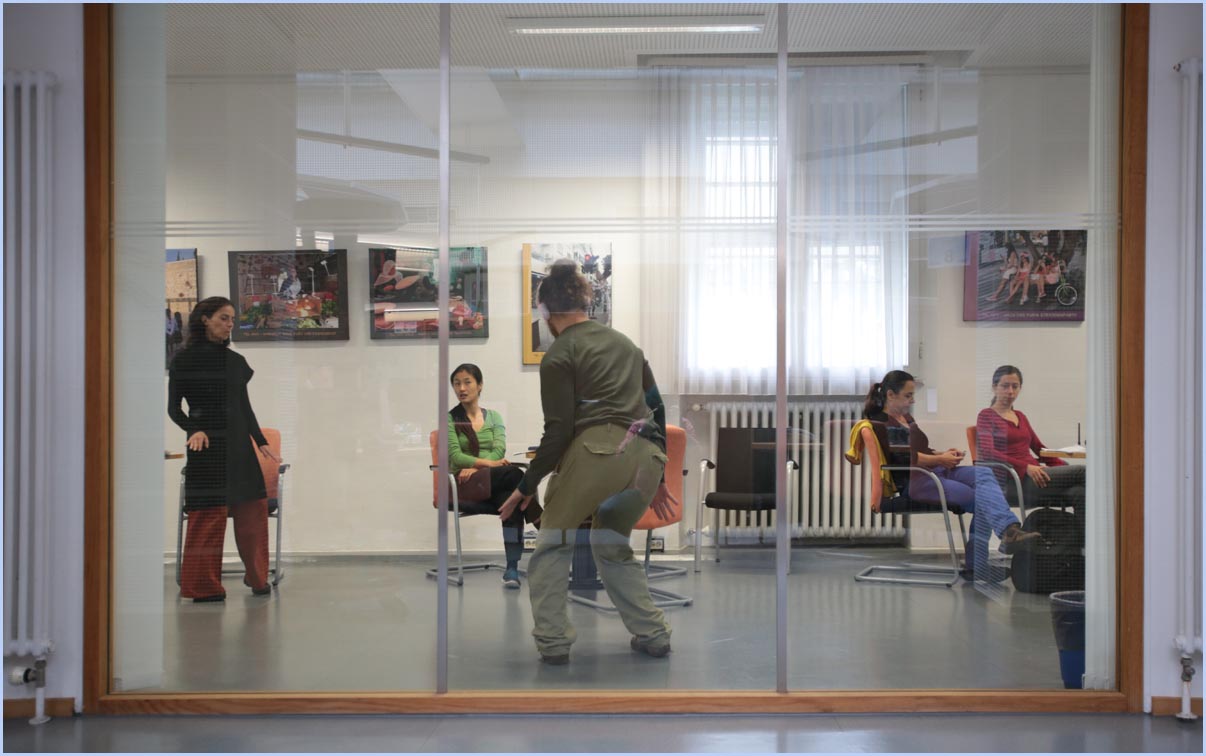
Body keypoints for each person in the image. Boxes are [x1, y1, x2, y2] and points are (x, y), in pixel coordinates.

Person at [499, 260, 677, 665]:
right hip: (646, 458)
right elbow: (657, 407)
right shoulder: (627, 345)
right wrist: (661, 477)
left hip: (599, 452)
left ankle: (554, 643)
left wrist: (526, 486)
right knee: (610, 543)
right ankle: (653, 633)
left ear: (545, 310)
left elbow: (559, 432)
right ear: (585, 302)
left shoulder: (560, 353)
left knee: (551, 547)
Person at [863, 370, 1038, 576]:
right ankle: (982, 559)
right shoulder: (881, 422)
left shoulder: (906, 418)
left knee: (983, 473)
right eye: (908, 395)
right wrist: (940, 459)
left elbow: (921, 450)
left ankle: (1007, 533)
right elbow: (905, 458)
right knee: (982, 499)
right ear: (891, 395)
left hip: (933, 471)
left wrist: (943, 454)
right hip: (916, 481)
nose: (913, 400)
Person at [168, 296, 280, 602]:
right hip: (206, 449)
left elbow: (244, 407)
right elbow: (174, 409)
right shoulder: (183, 360)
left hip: (239, 448)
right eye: (224, 318)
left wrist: (261, 441)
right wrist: (193, 429)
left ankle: (258, 578)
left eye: (232, 319)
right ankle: (204, 587)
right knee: (208, 516)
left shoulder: (236, 362)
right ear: (205, 319)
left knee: (253, 512)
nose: (230, 324)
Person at [447, 363, 540, 589]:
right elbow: (456, 457)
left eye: (467, 382)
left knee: (511, 500)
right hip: (465, 484)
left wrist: (478, 467)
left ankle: (511, 568)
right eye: (457, 383)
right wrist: (486, 464)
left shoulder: (494, 417)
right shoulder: (450, 419)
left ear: (480, 385)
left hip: (492, 483)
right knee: (515, 473)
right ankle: (541, 520)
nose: (462, 388)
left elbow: (500, 449)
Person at [975, 365, 1085, 510]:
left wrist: (1062, 467)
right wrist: (1025, 467)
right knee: (1083, 472)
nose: (1010, 391)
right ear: (995, 387)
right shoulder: (986, 415)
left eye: (1015, 386)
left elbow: (1040, 449)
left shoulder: (1020, 416)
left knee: (1080, 493)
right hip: (1014, 480)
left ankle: (1080, 528)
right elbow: (988, 452)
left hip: (1035, 475)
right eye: (1005, 386)